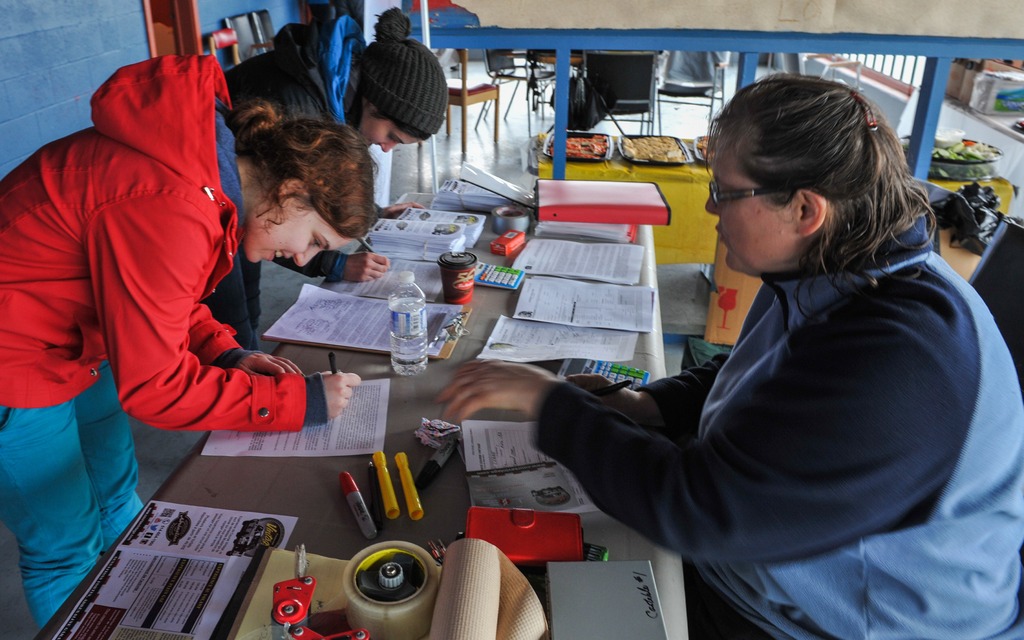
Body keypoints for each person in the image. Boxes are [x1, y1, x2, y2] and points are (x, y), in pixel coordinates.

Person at [438, 75, 1024, 638]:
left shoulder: (901, 357)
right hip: (770, 568)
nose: (713, 209)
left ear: (804, 209)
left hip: (835, 620)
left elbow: (702, 511)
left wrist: (549, 402)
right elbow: (759, 373)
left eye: (725, 191)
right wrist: (648, 404)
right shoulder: (842, 264)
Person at [0, 55, 371, 626]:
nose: (302, 258)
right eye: (314, 238)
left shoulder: (207, 182)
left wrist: (227, 354)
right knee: (63, 547)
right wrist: (296, 403)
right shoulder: (172, 201)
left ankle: (127, 617)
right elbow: (154, 388)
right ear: (291, 191)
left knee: (119, 501)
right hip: (14, 354)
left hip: (78, 339)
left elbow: (163, 299)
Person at [216, 7, 449, 349]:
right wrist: (333, 263)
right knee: (230, 327)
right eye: (392, 137)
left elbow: (306, 196)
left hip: (240, 222)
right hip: (224, 225)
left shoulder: (337, 91)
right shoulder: (298, 105)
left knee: (241, 323)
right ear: (376, 103)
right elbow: (275, 216)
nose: (386, 149)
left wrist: (372, 210)